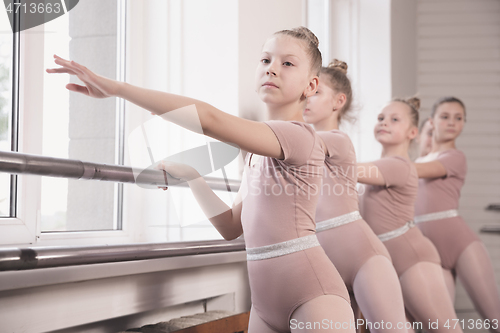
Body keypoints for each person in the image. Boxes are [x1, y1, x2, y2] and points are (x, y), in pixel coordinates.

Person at [48, 27, 355, 333]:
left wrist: (117, 89)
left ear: (311, 85)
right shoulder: (257, 152)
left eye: (287, 63)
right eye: (265, 60)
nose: (272, 68)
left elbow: (210, 120)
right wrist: (194, 177)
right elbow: (231, 227)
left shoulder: (298, 135)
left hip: (315, 297)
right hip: (264, 307)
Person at [303, 59, 407, 333]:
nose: (306, 97)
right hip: (323, 259)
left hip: (363, 257)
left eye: (316, 92)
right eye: (305, 90)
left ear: (338, 101)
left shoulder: (336, 140)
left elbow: (285, 140)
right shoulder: (302, 143)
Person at [356, 97, 462, 333]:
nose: (384, 123)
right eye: (381, 118)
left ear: (412, 132)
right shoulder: (378, 166)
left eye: (394, 120)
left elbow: (345, 169)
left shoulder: (400, 165)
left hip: (413, 259)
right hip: (384, 261)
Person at [414, 97, 500, 332]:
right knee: (442, 325)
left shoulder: (454, 157)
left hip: (461, 243)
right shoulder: (419, 160)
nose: (451, 122)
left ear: (463, 124)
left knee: (495, 319)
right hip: (429, 248)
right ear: (431, 122)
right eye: (445, 116)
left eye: (458, 118)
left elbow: (416, 171)